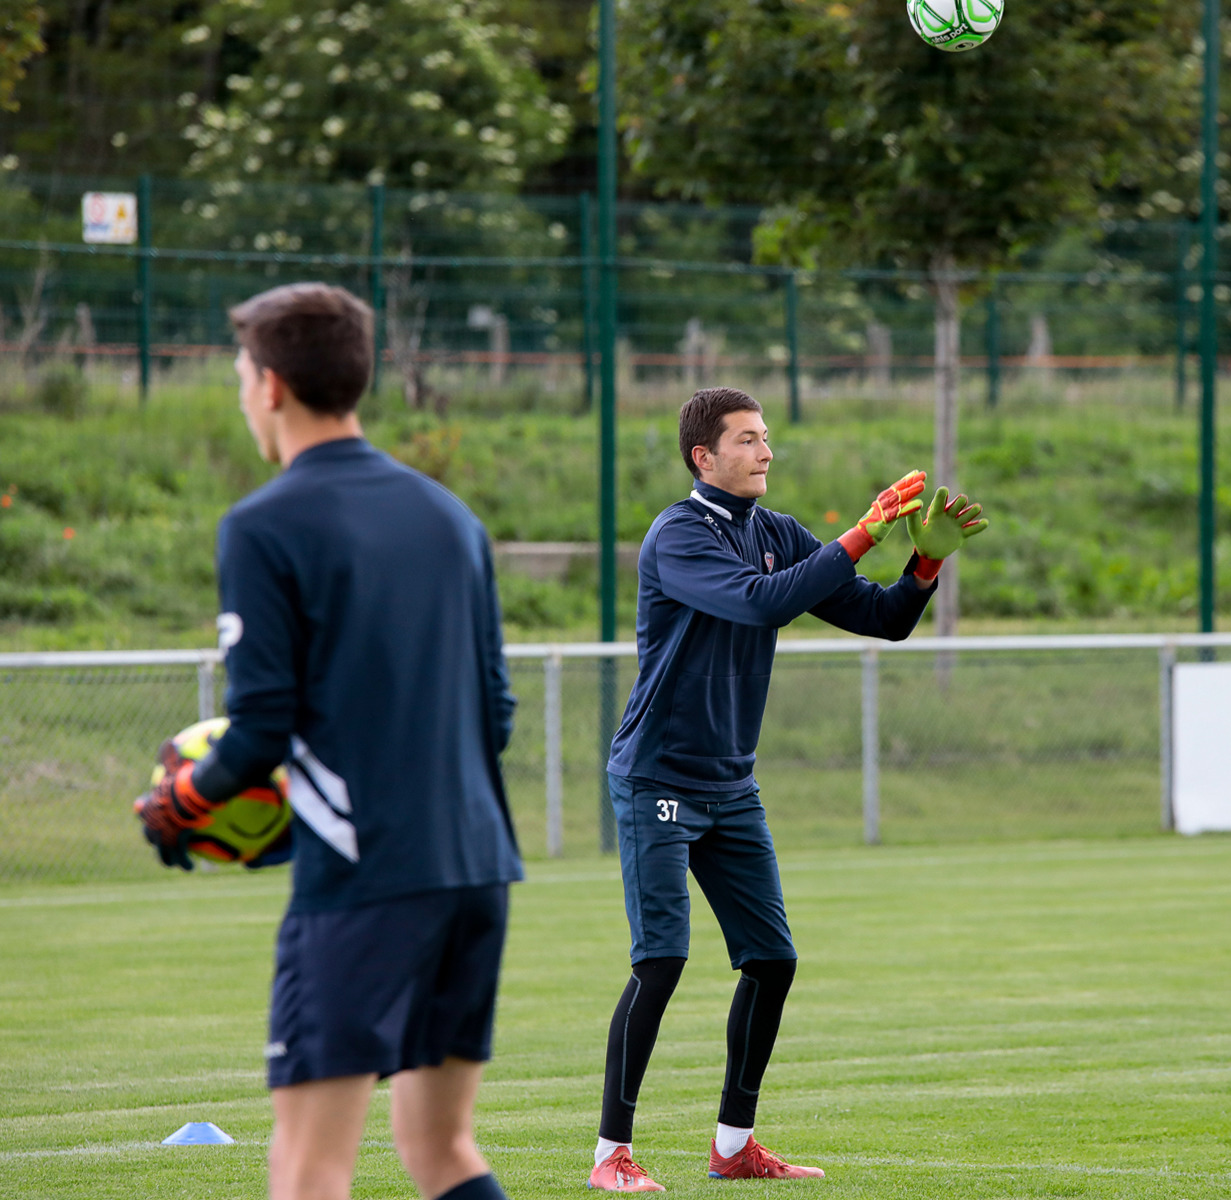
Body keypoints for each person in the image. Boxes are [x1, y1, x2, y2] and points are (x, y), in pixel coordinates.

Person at [135, 282, 523, 1200]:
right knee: (442, 1151)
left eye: (239, 374)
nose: (240, 394)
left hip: (364, 885)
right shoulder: (449, 516)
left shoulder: (263, 523)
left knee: (307, 1167)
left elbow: (262, 726)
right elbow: (495, 715)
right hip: (475, 866)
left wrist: (180, 803)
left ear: (270, 385)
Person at [588, 386, 987, 1192]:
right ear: (704, 457)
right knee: (661, 960)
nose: (766, 451)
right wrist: (866, 529)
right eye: (747, 439)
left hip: (730, 784)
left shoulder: (775, 531)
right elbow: (761, 603)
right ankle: (611, 1158)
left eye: (766, 437)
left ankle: (734, 1147)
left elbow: (883, 619)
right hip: (656, 778)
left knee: (772, 959)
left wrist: (924, 561)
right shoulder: (676, 536)